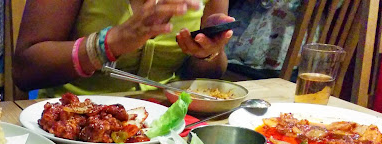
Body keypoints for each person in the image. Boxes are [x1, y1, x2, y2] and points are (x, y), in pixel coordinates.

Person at [13, 0, 235, 98]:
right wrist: (110, 42)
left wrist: (207, 53)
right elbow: (26, 70)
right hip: (70, 124)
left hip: (167, 127)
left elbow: (209, 75)